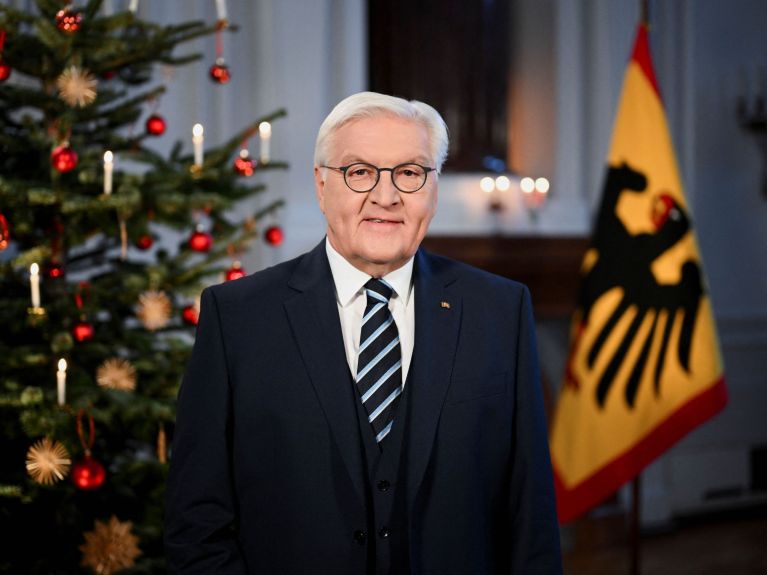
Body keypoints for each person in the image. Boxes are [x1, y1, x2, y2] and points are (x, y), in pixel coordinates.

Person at [165, 91, 562, 574]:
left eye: (410, 173)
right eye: (359, 172)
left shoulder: (500, 310)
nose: (386, 196)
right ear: (321, 184)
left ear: (433, 187)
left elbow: (530, 512)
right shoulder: (238, 318)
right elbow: (197, 522)